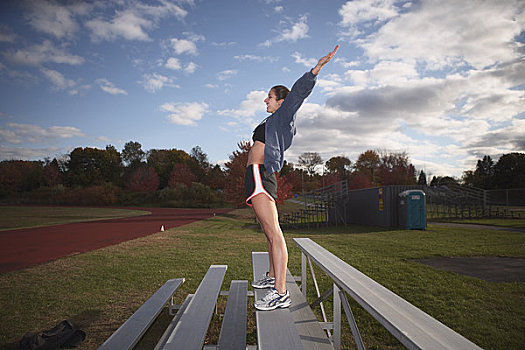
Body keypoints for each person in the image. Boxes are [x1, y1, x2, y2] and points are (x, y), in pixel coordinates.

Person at [246, 45, 339, 311]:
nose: (265, 100)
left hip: (262, 176)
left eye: (269, 97)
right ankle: (274, 277)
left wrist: (315, 70)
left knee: (275, 233)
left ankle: (280, 292)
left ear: (280, 102)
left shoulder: (284, 116)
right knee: (267, 231)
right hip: (254, 177)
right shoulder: (272, 120)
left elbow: (297, 93)